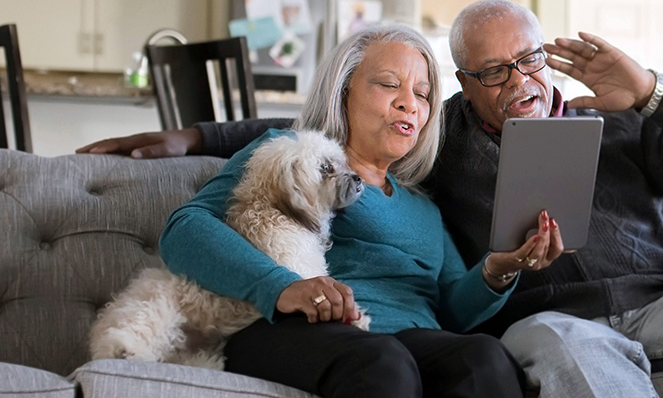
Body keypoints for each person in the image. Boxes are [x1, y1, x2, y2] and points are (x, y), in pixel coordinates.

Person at [79, 0, 663, 397]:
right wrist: (193, 136)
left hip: (648, 296)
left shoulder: (605, 121)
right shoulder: (345, 152)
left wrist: (654, 93)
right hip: (536, 321)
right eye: (492, 72)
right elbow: (279, 153)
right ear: (470, 89)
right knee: (431, 363)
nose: (519, 80)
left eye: (529, 59)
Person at [155, 24, 551, 398]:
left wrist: (498, 269)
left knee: (484, 357)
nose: (408, 104)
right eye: (389, 85)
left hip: (410, 340)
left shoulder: (423, 206)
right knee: (383, 362)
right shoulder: (291, 153)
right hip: (300, 330)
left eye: (423, 93)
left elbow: (451, 311)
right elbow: (185, 228)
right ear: (343, 91)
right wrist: (279, 286)